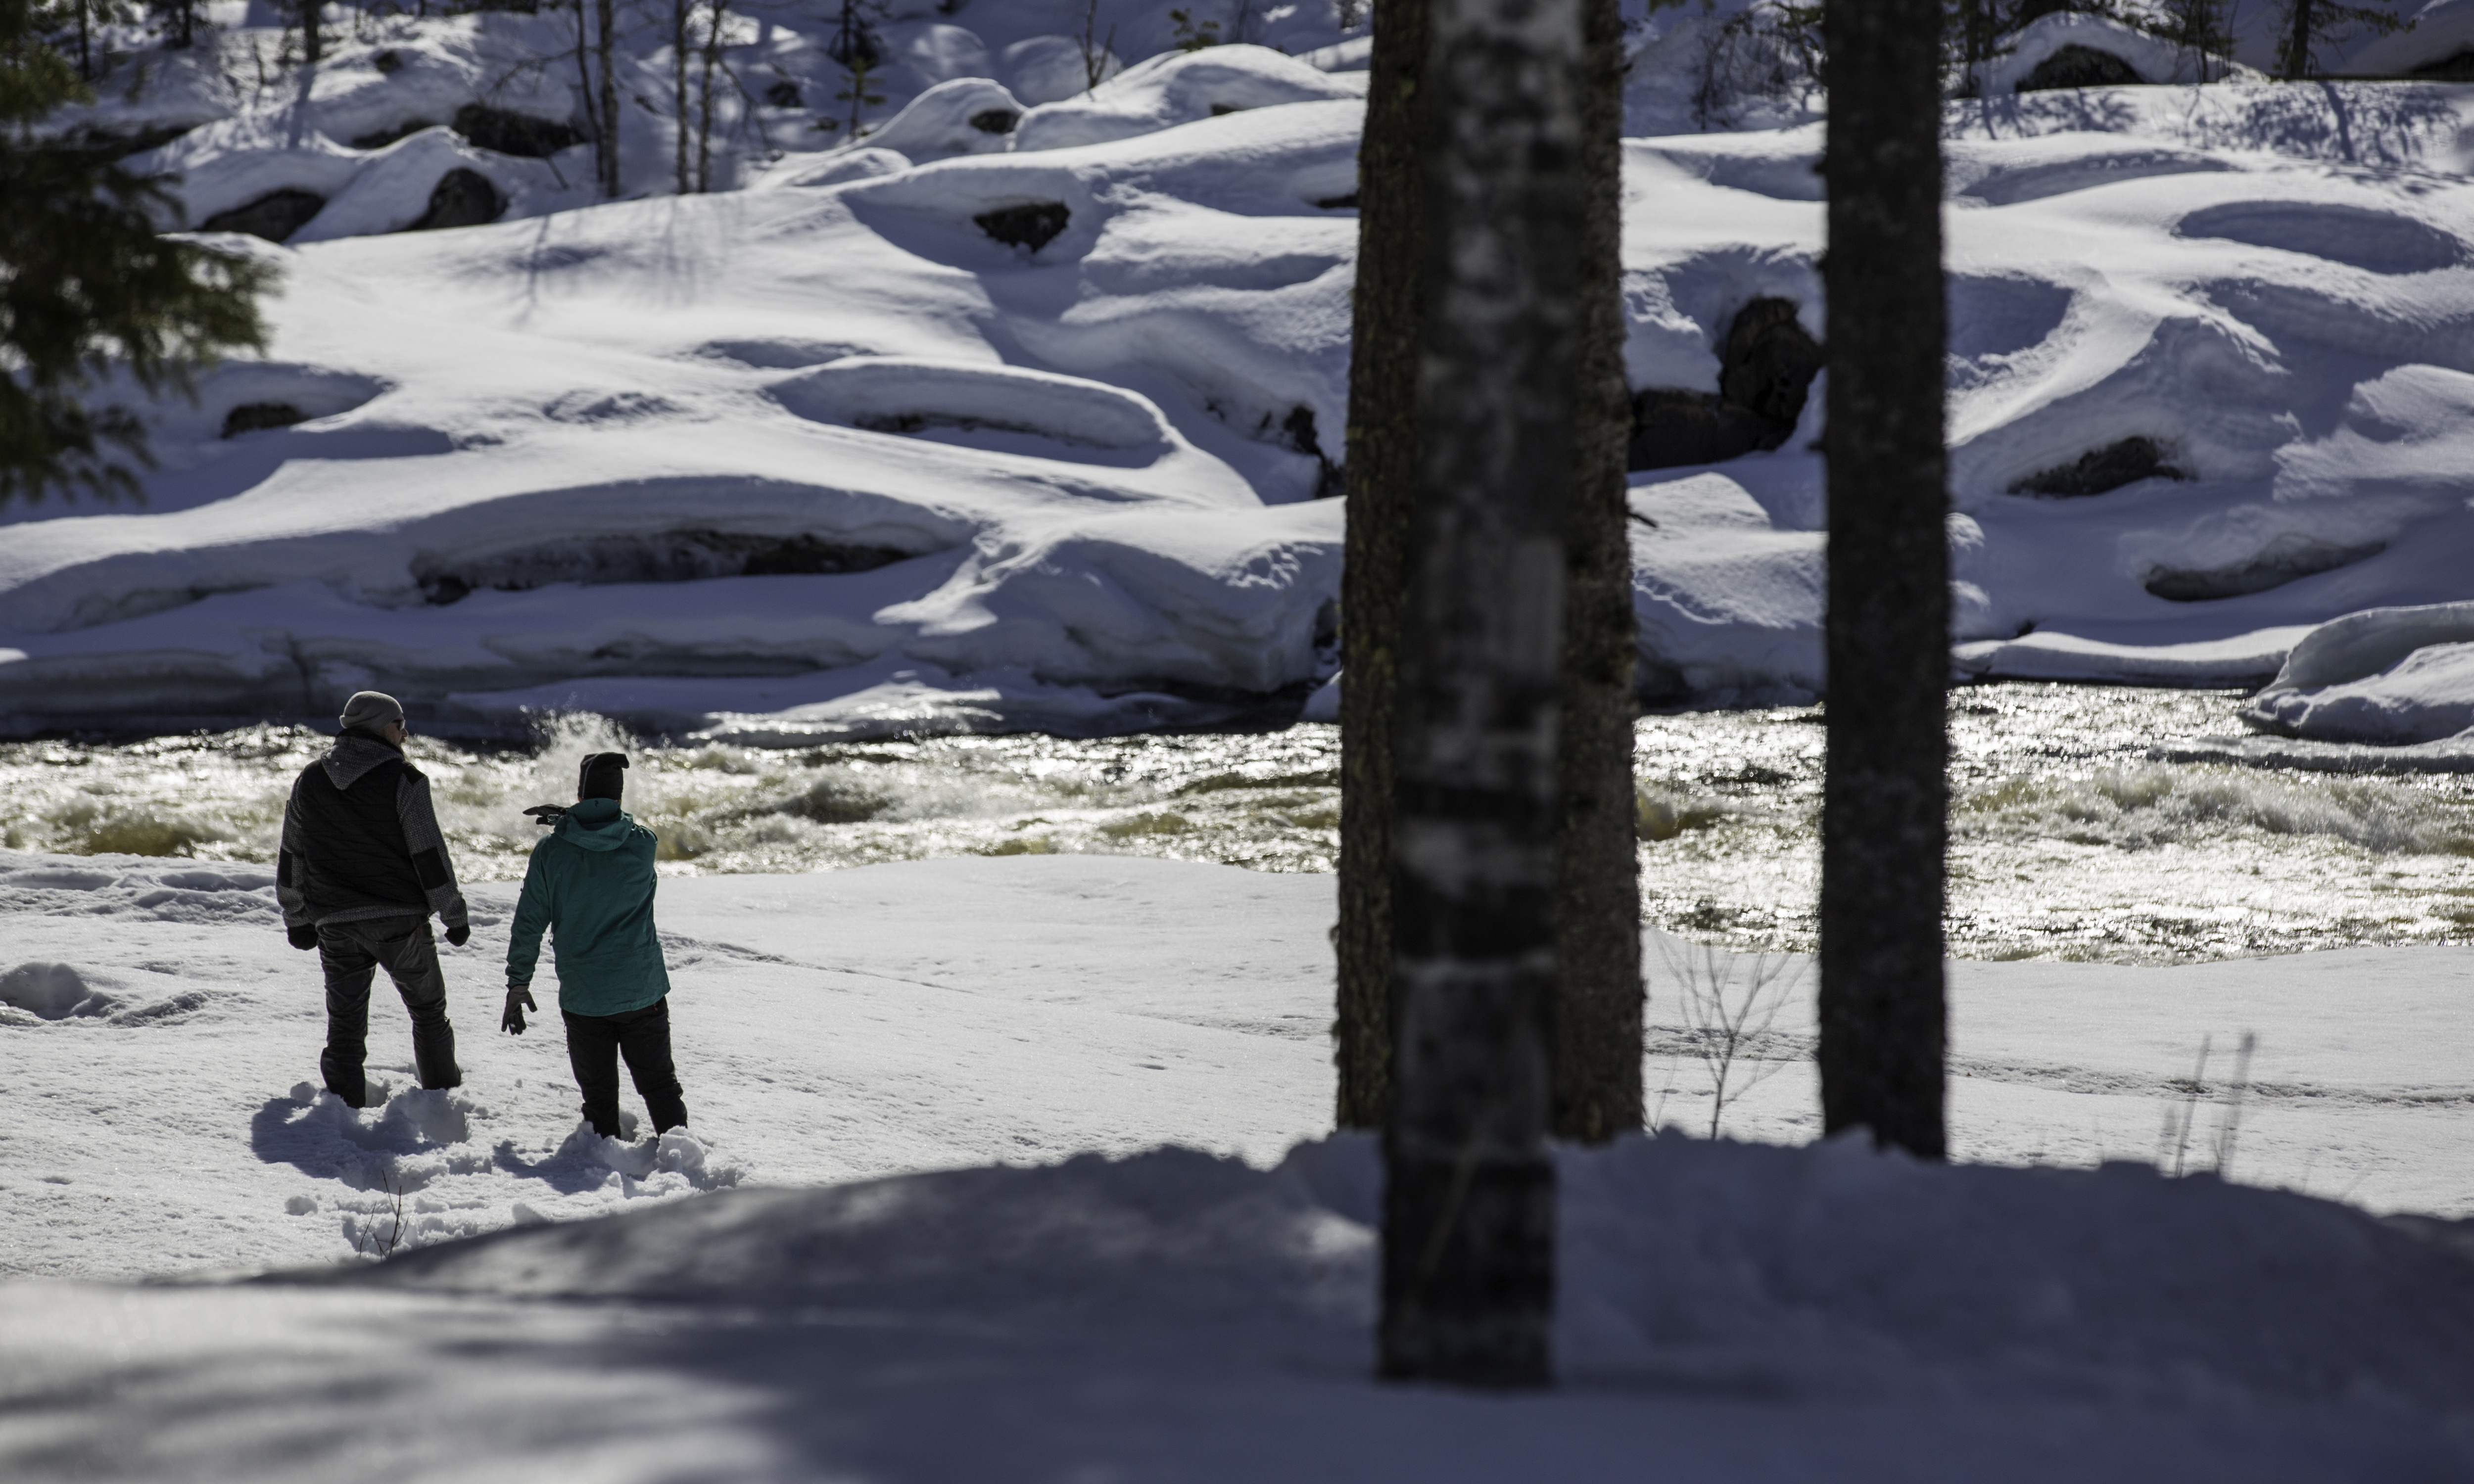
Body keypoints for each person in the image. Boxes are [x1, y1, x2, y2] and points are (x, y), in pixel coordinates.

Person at [277, 690, 470, 1107]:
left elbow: (292, 852)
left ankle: (342, 1112)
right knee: (429, 1013)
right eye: (401, 725)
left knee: (345, 1026)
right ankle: (441, 1103)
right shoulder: (405, 779)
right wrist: (454, 915)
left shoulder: (310, 779)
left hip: (335, 923)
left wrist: (297, 917)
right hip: (400, 921)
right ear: (384, 728)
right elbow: (429, 855)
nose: (405, 733)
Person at [502, 751, 687, 1140]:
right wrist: (572, 817)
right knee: (660, 1087)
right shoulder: (642, 847)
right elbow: (620, 829)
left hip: (585, 1000)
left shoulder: (550, 853)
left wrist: (518, 983)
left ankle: (601, 1171)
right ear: (619, 796)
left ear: (581, 793)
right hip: (642, 993)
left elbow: (529, 923)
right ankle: (681, 1159)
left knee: (599, 1098)